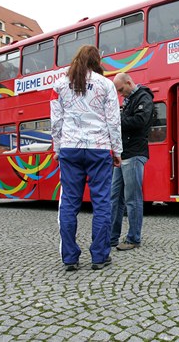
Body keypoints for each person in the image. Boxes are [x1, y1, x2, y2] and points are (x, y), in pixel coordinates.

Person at [50, 45, 122, 272]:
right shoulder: (106, 84)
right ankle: (99, 256)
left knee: (69, 203)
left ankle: (70, 257)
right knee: (101, 202)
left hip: (70, 148)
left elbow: (56, 121)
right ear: (97, 61)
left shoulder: (60, 85)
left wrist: (57, 148)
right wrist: (117, 151)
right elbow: (113, 121)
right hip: (99, 148)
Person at [110, 72, 155, 251]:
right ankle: (112, 237)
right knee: (114, 197)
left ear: (129, 82)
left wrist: (117, 119)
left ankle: (133, 238)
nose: (121, 94)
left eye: (121, 90)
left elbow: (140, 121)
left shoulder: (144, 97)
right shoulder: (129, 100)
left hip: (135, 154)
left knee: (132, 198)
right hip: (123, 153)